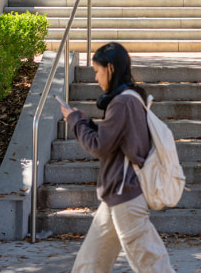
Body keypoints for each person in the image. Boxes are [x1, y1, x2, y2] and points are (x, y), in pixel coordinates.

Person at [59, 42, 175, 273]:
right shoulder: (129, 99)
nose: (96, 78)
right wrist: (84, 122)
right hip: (115, 196)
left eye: (97, 71)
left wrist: (75, 121)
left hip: (125, 197)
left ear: (110, 69)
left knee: (154, 266)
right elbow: (112, 141)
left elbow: (99, 145)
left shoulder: (123, 102)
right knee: (88, 266)